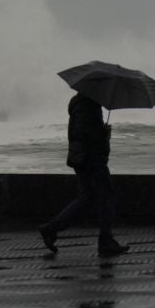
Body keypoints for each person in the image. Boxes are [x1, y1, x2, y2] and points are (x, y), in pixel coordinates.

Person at [38, 93, 129, 256]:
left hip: (82, 157)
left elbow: (81, 131)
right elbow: (85, 133)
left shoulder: (82, 103)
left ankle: (51, 229)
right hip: (90, 158)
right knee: (106, 197)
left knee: (87, 198)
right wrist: (104, 134)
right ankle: (105, 241)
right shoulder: (88, 105)